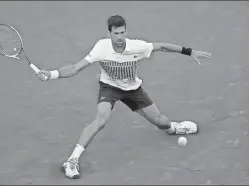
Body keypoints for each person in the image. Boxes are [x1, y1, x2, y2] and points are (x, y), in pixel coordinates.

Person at [36, 15, 212, 179]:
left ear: (126, 32)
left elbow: (162, 46)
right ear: (109, 34)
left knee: (161, 122)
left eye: (122, 32)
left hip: (133, 90)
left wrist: (190, 52)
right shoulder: (101, 47)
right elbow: (75, 67)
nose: (120, 37)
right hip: (109, 88)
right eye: (116, 33)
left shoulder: (137, 47)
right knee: (100, 120)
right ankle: (72, 160)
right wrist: (52, 74)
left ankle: (173, 128)